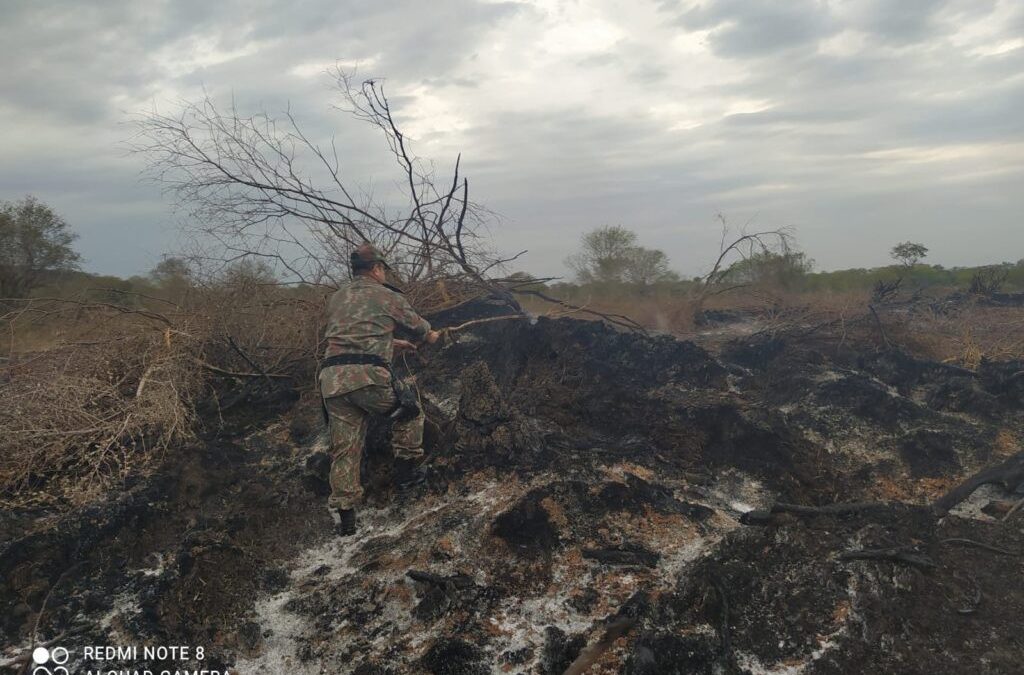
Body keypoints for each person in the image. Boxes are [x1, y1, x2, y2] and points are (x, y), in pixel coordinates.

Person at [319, 244, 440, 536]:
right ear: (377, 269)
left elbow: (353, 335)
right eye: (383, 269)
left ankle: (346, 519)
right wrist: (431, 335)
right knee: (410, 411)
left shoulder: (337, 297)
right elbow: (418, 327)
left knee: (345, 448)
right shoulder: (387, 295)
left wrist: (391, 343)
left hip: (332, 380)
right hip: (367, 378)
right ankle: (407, 473)